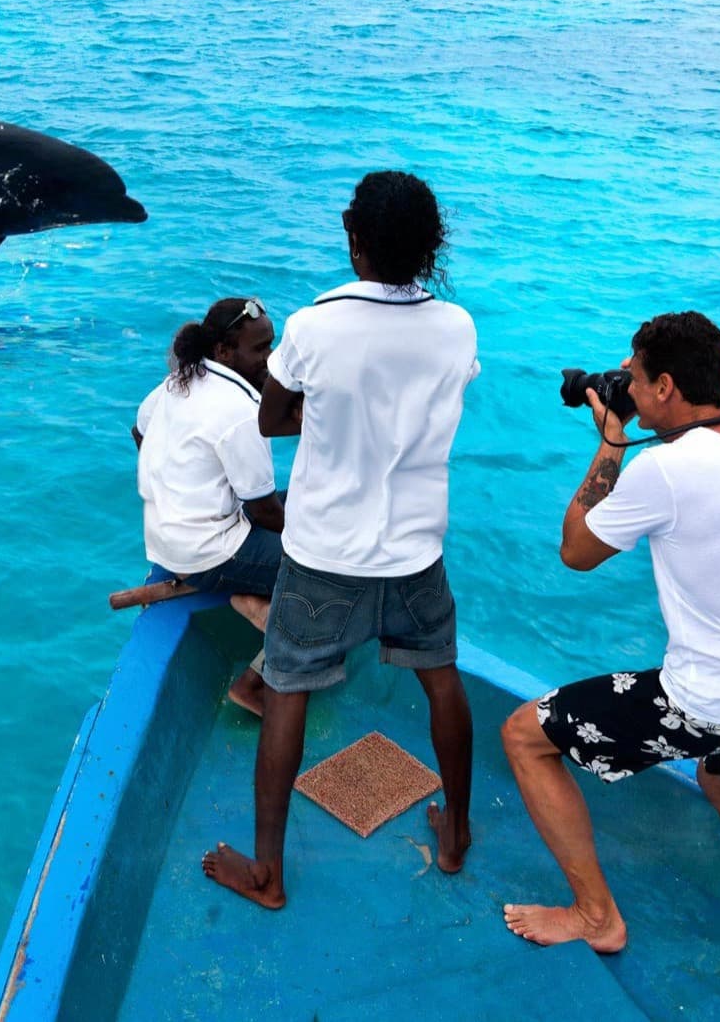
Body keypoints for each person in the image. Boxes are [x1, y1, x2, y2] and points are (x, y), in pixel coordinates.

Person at [499, 310, 720, 996]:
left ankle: (596, 916)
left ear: (664, 387)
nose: (626, 386)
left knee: (524, 736)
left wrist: (611, 441)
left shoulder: (662, 469)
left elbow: (576, 551)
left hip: (713, 701)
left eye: (634, 376)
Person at [202, 171, 479, 909]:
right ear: (429, 247)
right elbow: (435, 398)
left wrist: (326, 414)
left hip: (324, 554)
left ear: (355, 241)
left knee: (286, 689)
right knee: (442, 678)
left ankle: (268, 875)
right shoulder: (457, 326)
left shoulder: (315, 325)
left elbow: (271, 418)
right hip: (416, 551)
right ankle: (455, 836)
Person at [135, 296, 287, 715]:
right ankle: (256, 683)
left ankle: (247, 594)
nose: (270, 358)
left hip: (170, 541)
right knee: (325, 570)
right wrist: (320, 546)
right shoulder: (241, 411)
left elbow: (139, 428)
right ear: (223, 351)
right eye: (260, 348)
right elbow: (265, 513)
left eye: (272, 345)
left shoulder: (178, 381)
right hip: (209, 553)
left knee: (307, 505)